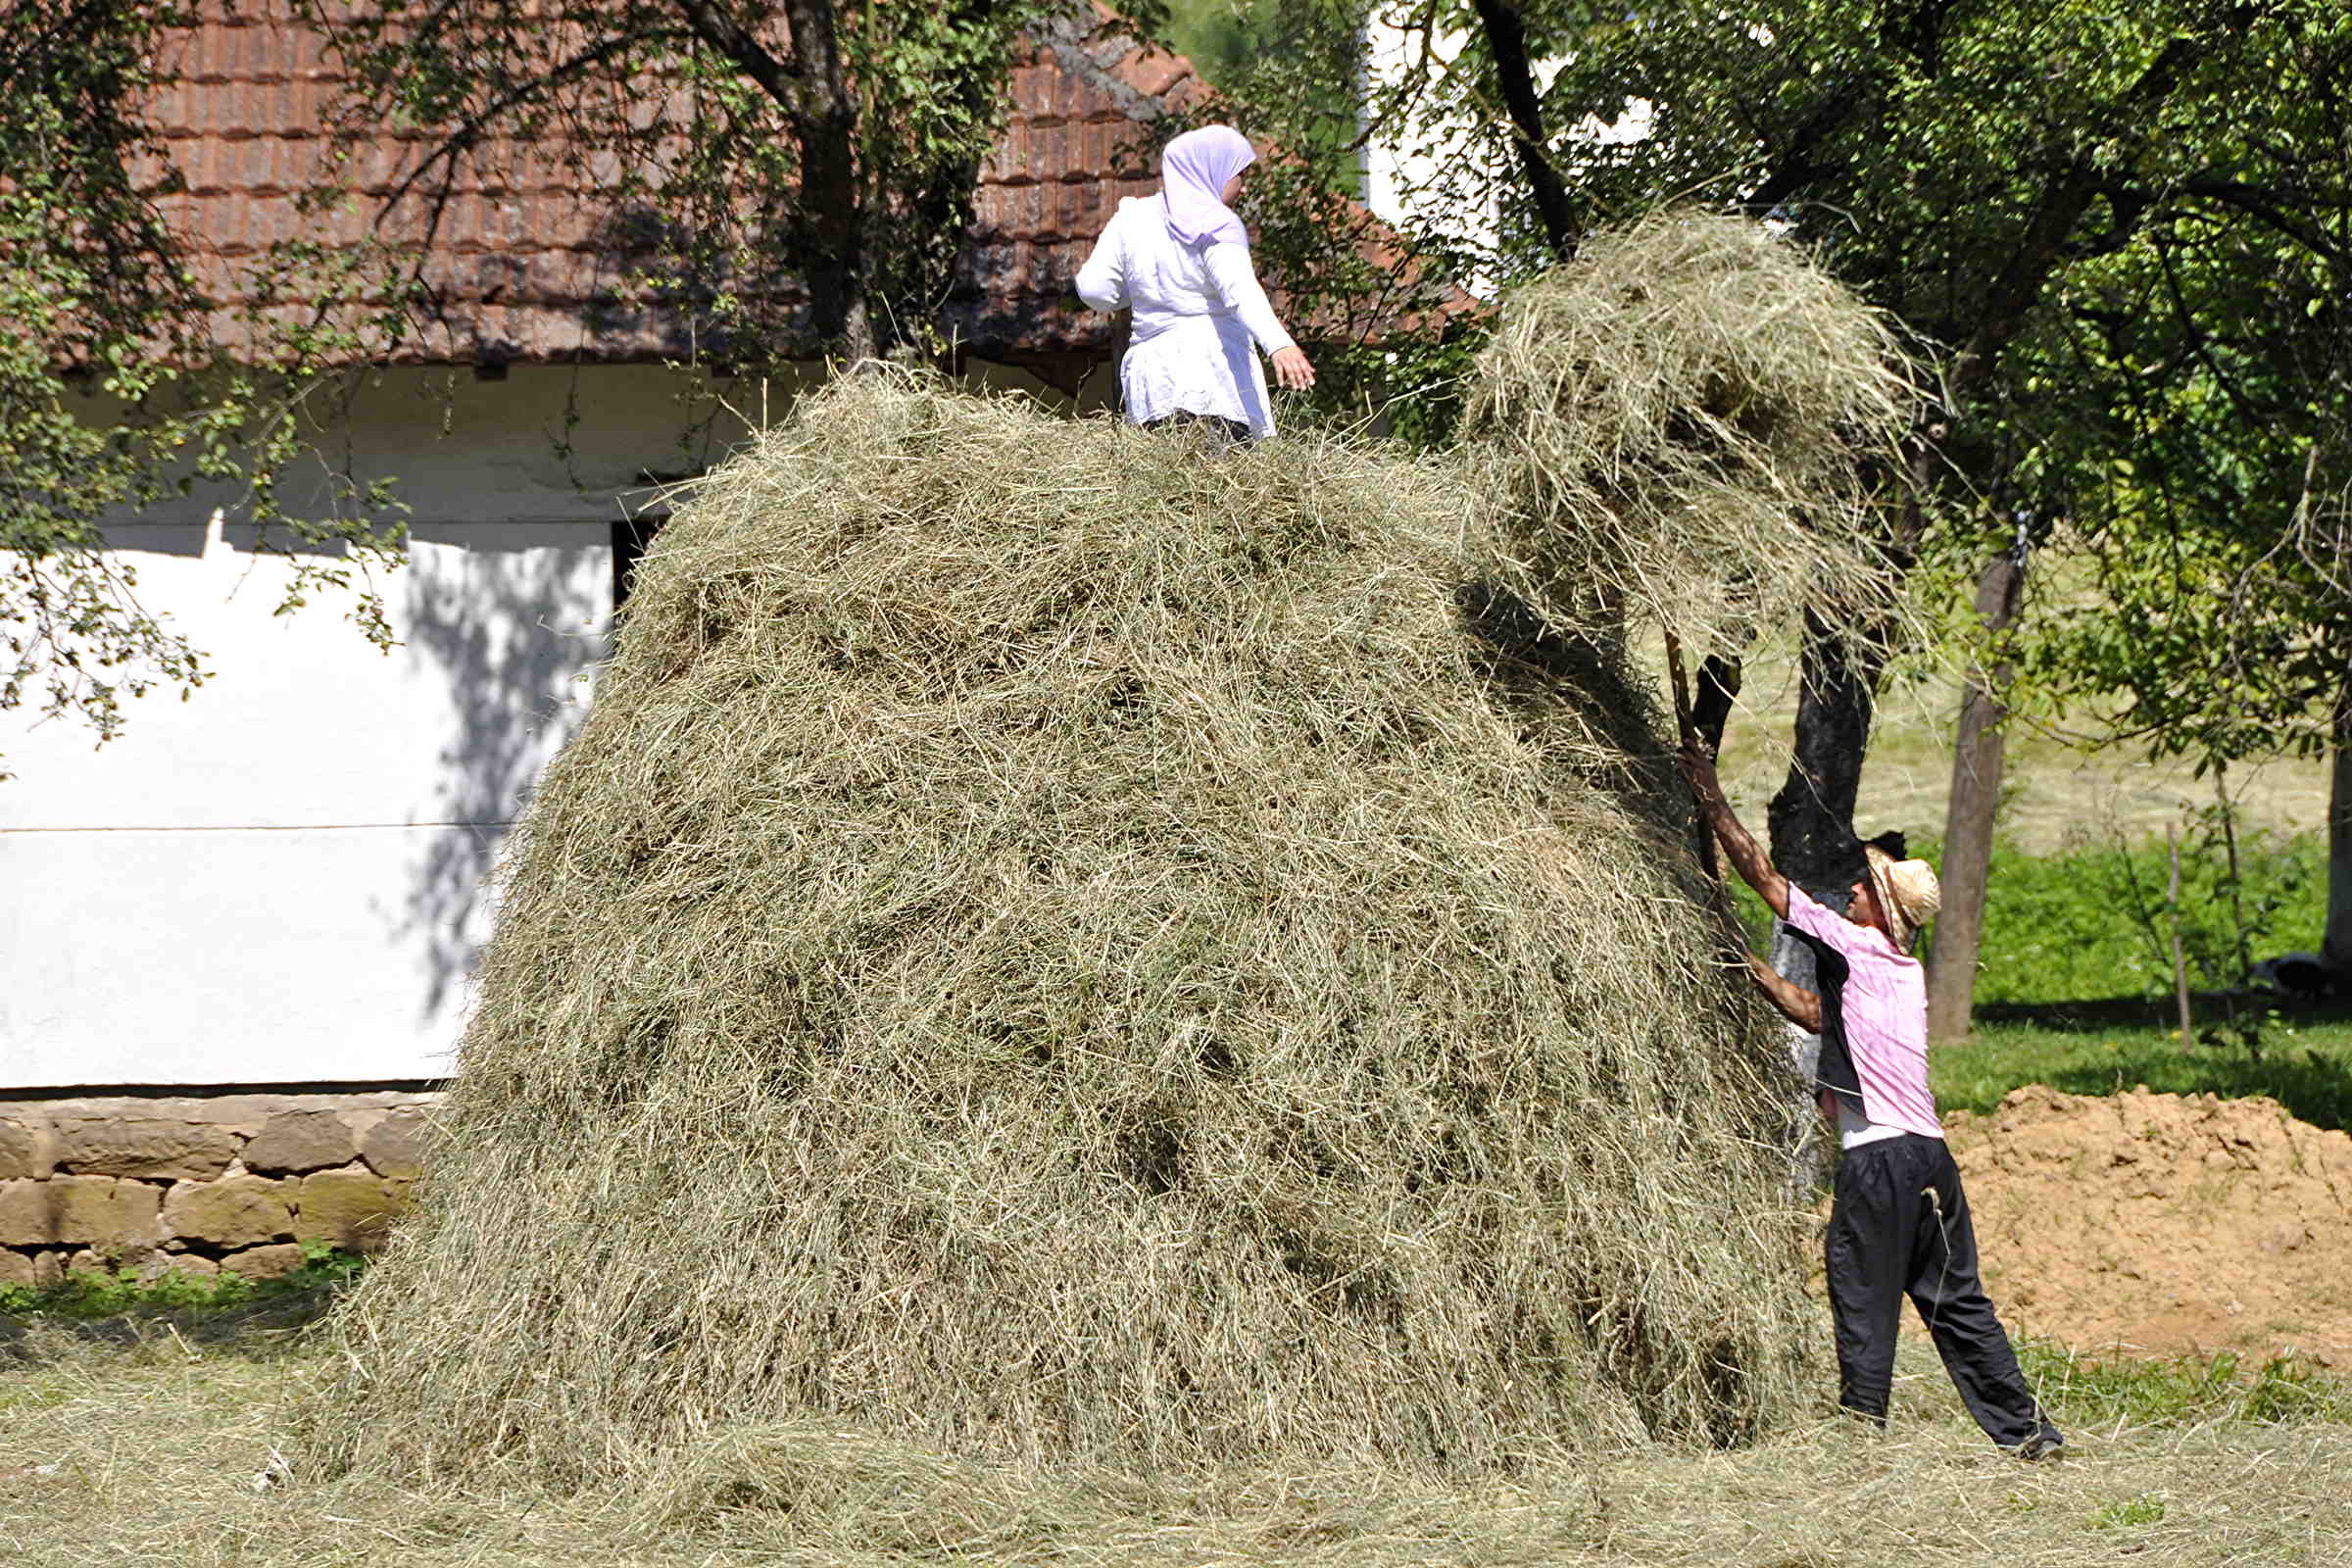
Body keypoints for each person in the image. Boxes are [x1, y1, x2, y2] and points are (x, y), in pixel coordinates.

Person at [1678, 742, 2065, 1459]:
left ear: (1879, 911)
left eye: (1861, 886)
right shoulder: (1902, 974)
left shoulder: (1856, 947)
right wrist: (1750, 966)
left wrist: (1708, 792)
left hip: (1879, 1159)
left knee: (1861, 1296)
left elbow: (1762, 876)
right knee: (1958, 1305)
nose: (1850, 890)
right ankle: (2028, 1433)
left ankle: (1862, 1443)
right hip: (1931, 1161)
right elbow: (1821, 1018)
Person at [1074, 124, 1316, 443]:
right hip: (1213, 380)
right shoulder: (1214, 222)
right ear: (1212, 170)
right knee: (1219, 485)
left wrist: (1139, 292)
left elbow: (1094, 288)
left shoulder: (1132, 217)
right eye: (1239, 175)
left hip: (1154, 385)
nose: (1243, 189)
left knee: (1164, 486)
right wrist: (1279, 344)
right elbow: (1239, 289)